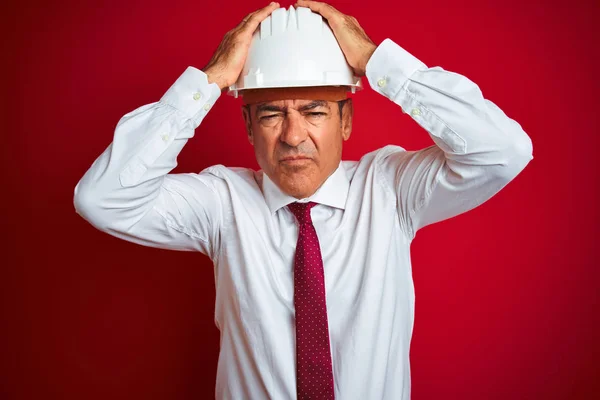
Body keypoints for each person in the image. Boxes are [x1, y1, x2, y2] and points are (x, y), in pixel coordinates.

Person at [73, 1, 534, 399]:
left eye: (314, 111)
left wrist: (378, 62)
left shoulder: (390, 189)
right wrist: (210, 80)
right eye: (272, 113)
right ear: (249, 127)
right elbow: (103, 198)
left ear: (345, 121)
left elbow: (503, 152)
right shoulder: (222, 203)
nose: (294, 136)